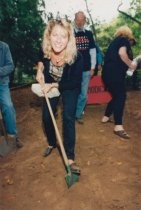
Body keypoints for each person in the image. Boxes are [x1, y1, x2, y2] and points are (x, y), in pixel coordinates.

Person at [36, 19, 83, 174]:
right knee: (46, 117)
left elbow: (75, 82)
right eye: (55, 35)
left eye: (63, 36)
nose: (58, 39)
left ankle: (69, 157)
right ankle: (51, 143)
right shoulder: (46, 49)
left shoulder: (76, 57)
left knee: (68, 117)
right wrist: (39, 70)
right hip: (50, 83)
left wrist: (54, 85)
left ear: (69, 39)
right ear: (49, 36)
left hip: (69, 86)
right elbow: (41, 59)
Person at [101, 26, 137, 139]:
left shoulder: (114, 42)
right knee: (121, 96)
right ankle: (118, 126)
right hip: (114, 74)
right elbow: (122, 54)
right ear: (128, 35)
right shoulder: (123, 40)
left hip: (106, 74)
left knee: (117, 95)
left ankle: (106, 117)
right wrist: (131, 64)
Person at [74, 11, 96, 124]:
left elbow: (93, 51)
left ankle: (78, 114)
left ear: (85, 20)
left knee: (83, 94)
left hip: (86, 69)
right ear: (75, 19)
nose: (80, 21)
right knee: (73, 92)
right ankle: (71, 113)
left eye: (82, 19)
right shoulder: (70, 33)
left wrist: (93, 67)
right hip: (72, 70)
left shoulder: (89, 34)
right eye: (78, 19)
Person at [0, 41, 23, 148]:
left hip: (2, 83)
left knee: (8, 107)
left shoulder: (4, 47)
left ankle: (13, 135)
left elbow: (10, 66)